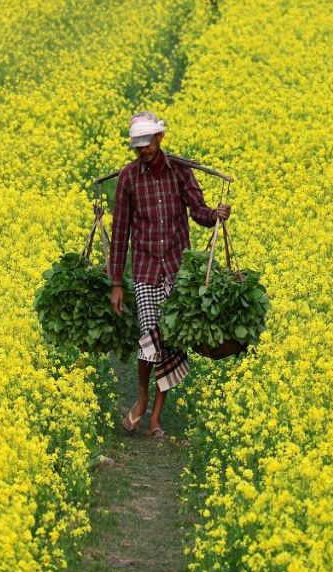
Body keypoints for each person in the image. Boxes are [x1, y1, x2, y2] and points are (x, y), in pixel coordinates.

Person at [108, 111, 230, 438]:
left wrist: (215, 215)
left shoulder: (180, 172)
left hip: (177, 268)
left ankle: (155, 419)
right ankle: (143, 396)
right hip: (147, 269)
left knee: (172, 342)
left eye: (146, 145)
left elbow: (198, 210)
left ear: (159, 139)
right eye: (137, 147)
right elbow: (120, 232)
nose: (142, 151)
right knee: (150, 333)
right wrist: (117, 283)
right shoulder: (129, 178)